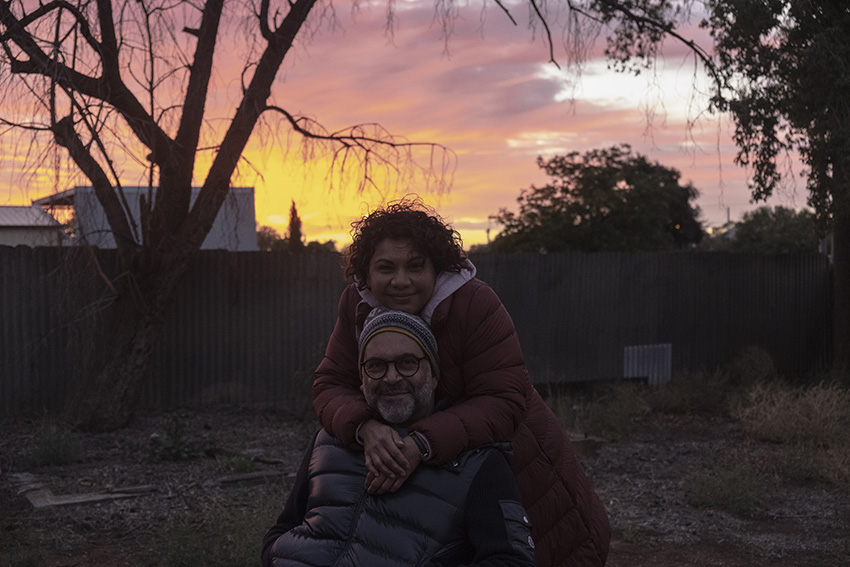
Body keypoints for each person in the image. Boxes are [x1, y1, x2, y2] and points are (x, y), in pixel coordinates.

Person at [312, 199, 610, 567]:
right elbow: (330, 382)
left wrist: (421, 442)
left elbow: (504, 400)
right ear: (366, 274)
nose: (401, 280)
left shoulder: (474, 303)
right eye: (386, 268)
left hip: (512, 460)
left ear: (437, 268)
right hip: (436, 472)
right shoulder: (356, 307)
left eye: (416, 267)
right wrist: (366, 427)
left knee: (537, 547)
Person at [262, 308, 537, 567]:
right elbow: (282, 530)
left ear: (434, 376)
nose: (391, 378)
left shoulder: (476, 463)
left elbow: (512, 560)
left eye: (407, 363)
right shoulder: (328, 442)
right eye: (376, 366)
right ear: (361, 379)